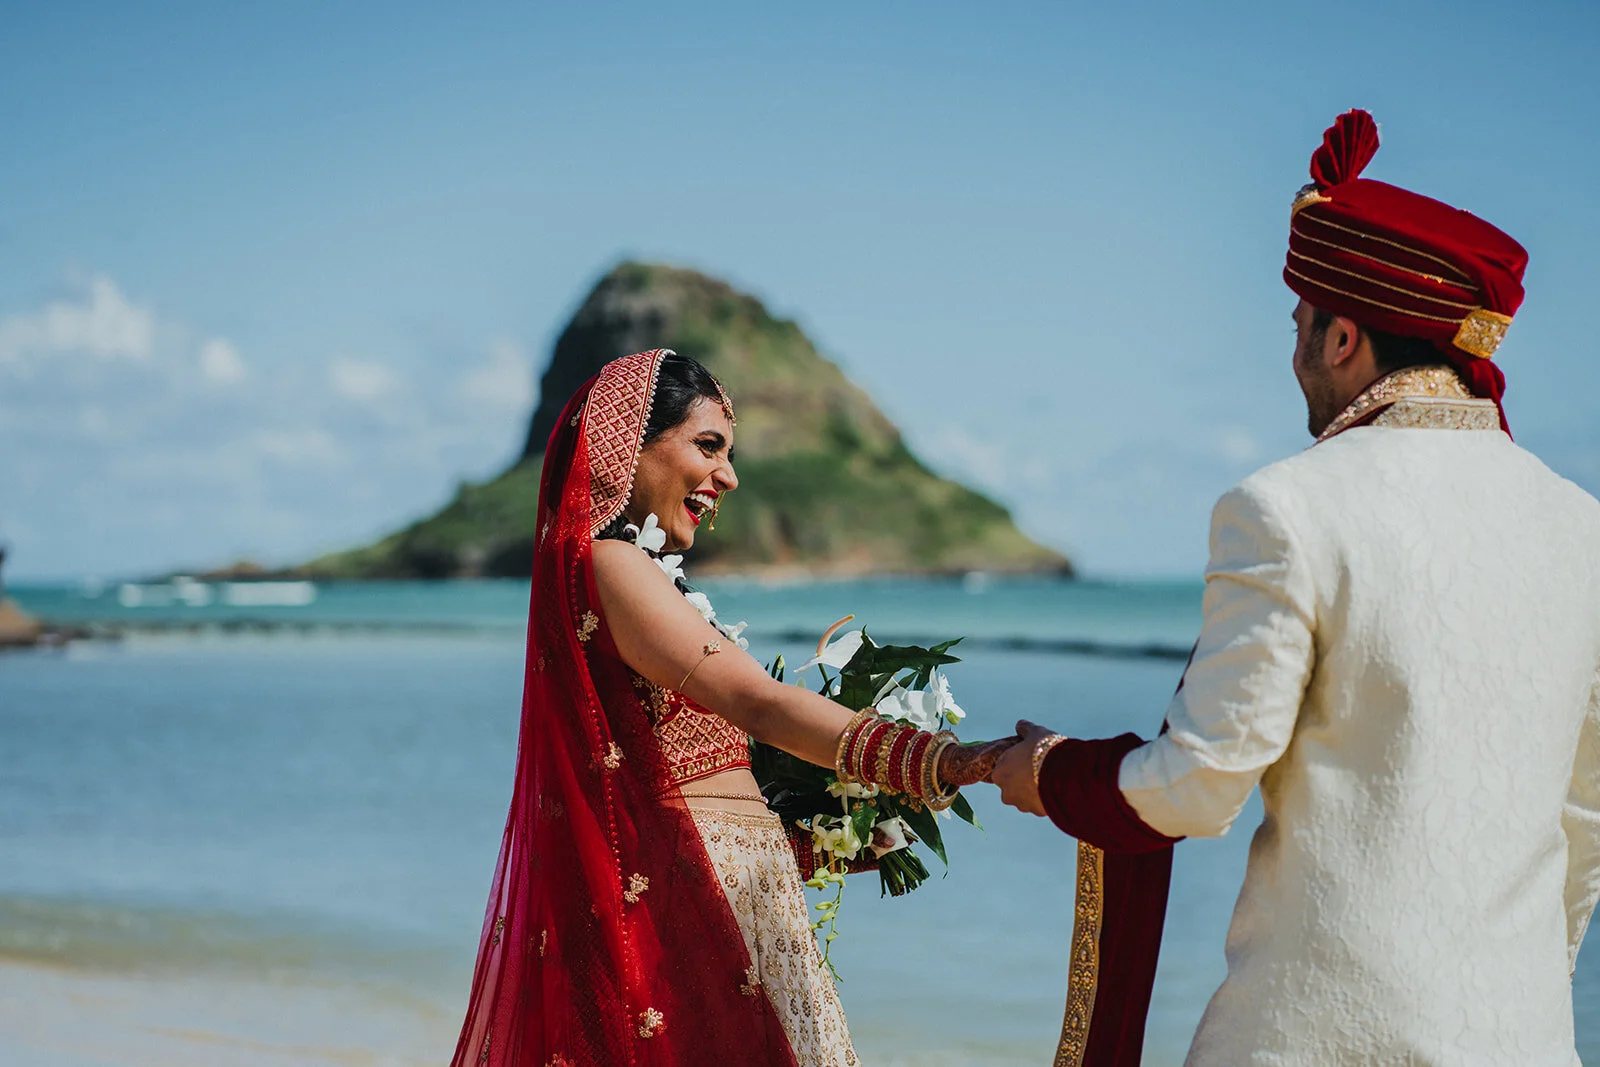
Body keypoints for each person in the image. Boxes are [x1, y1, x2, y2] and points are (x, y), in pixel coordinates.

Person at [991, 109, 1600, 1066]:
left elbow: (1201, 784)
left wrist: (1050, 773)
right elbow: (1584, 814)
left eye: (1300, 328)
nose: (1295, 358)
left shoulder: (1285, 506)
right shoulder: (1583, 526)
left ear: (1345, 335)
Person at [449, 348, 1014, 1067]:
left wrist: (823, 847)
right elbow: (761, 702)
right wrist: (938, 762)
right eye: (707, 445)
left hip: (736, 931)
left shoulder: (645, 576)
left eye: (730, 452)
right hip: (696, 954)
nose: (729, 476)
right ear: (629, 445)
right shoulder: (610, 563)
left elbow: (692, 815)